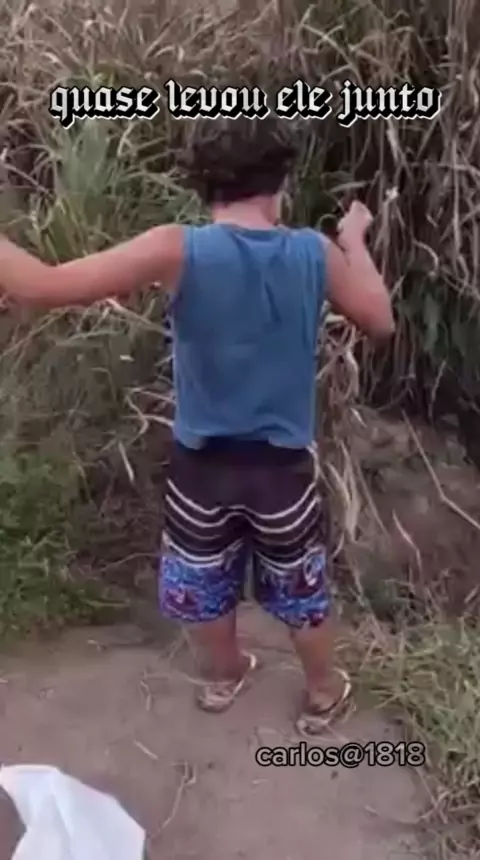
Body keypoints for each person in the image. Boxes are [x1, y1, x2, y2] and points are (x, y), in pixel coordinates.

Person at [0, 115, 394, 734]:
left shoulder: (176, 248)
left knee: (202, 577)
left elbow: (44, 286)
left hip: (200, 465)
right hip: (281, 469)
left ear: (203, 184)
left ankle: (226, 673)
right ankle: (323, 692)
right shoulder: (312, 252)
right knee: (301, 585)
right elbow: (380, 320)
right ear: (281, 181)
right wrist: (354, 240)